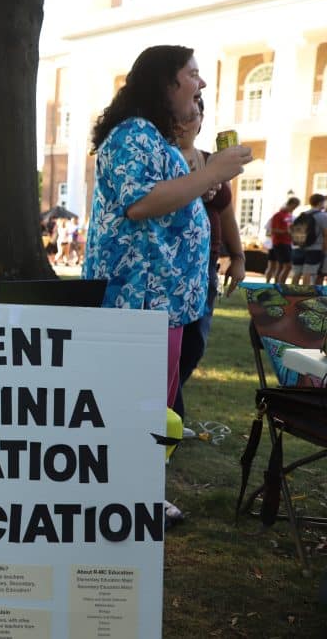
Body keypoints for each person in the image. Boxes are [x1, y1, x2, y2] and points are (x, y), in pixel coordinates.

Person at [82, 45, 251, 523]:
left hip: (163, 304)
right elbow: (139, 203)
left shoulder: (154, 138)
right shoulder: (132, 134)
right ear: (164, 83)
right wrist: (212, 172)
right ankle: (125, 498)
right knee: (135, 405)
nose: (200, 85)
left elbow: (168, 200)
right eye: (192, 75)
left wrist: (204, 183)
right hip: (136, 303)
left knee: (153, 406)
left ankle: (140, 492)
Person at [172, 98, 246, 422]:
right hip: (175, 268)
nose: (193, 119)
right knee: (173, 345)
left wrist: (239, 256)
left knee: (195, 345)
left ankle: (171, 405)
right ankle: (169, 411)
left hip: (207, 268)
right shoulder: (167, 160)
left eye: (198, 113)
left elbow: (226, 212)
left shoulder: (210, 160)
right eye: (188, 112)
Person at [292, 194, 327, 286]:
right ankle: (305, 294)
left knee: (297, 273)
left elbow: (292, 228)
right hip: (315, 248)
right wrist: (324, 250)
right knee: (308, 272)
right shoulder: (322, 216)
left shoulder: (303, 214)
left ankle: (291, 292)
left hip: (299, 246)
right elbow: (325, 234)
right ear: (320, 202)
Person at [265, 197, 300, 284]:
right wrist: (286, 232)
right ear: (290, 204)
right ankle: (274, 284)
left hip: (286, 243)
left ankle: (277, 285)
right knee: (283, 265)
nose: (294, 209)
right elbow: (272, 230)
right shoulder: (278, 215)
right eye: (294, 206)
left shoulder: (290, 216)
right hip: (279, 243)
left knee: (280, 266)